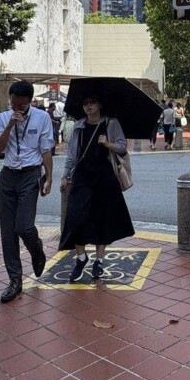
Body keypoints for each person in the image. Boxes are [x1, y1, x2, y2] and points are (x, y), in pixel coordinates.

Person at [0, 81, 54, 303]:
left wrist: (49, 178)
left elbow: (46, 150)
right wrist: (9, 125)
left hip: (30, 175)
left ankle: (37, 251)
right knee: (8, 231)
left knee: (24, 226)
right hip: (8, 175)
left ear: (29, 101)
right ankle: (15, 281)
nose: (18, 107)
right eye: (14, 103)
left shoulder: (41, 118)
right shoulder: (2, 118)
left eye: (22, 104)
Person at [59, 95, 133, 281]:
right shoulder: (79, 126)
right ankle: (81, 257)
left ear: (100, 104)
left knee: (102, 220)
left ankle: (99, 261)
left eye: (92, 102)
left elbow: (123, 147)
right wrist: (65, 175)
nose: (88, 106)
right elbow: (72, 154)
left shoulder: (111, 123)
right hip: (82, 177)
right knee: (75, 217)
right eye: (85, 103)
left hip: (105, 177)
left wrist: (108, 144)